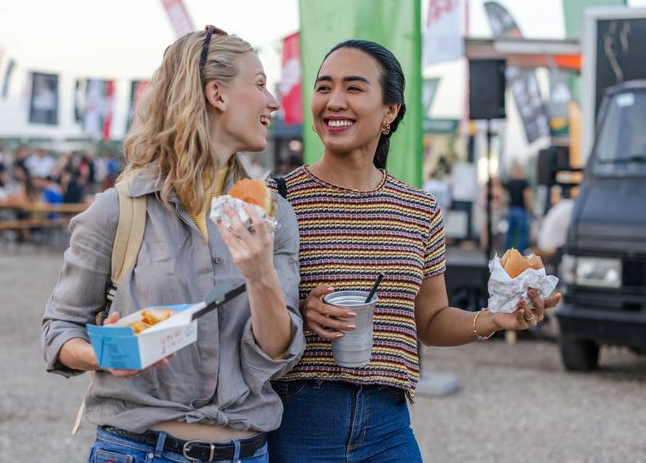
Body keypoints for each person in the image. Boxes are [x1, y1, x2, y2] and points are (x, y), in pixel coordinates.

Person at [266, 40, 562, 462]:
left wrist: (495, 319)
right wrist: (298, 310)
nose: (334, 101)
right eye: (324, 87)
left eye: (353, 88)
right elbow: (242, 314)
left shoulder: (419, 209)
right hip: (296, 421)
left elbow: (432, 320)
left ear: (391, 111)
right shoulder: (275, 199)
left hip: (389, 427)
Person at [42, 26, 305, 463]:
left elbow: (279, 354)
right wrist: (105, 354)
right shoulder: (118, 210)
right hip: (140, 451)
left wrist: (261, 276)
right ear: (217, 95)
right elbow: (58, 329)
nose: (272, 102)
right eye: (259, 85)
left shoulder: (273, 213)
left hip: (248, 452)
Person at [503, 163, 532, 251]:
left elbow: (504, 196)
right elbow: (527, 196)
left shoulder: (509, 183)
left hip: (511, 210)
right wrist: (528, 207)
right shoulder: (524, 183)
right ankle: (520, 252)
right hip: (521, 210)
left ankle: (507, 252)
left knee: (510, 232)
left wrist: (505, 206)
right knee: (522, 233)